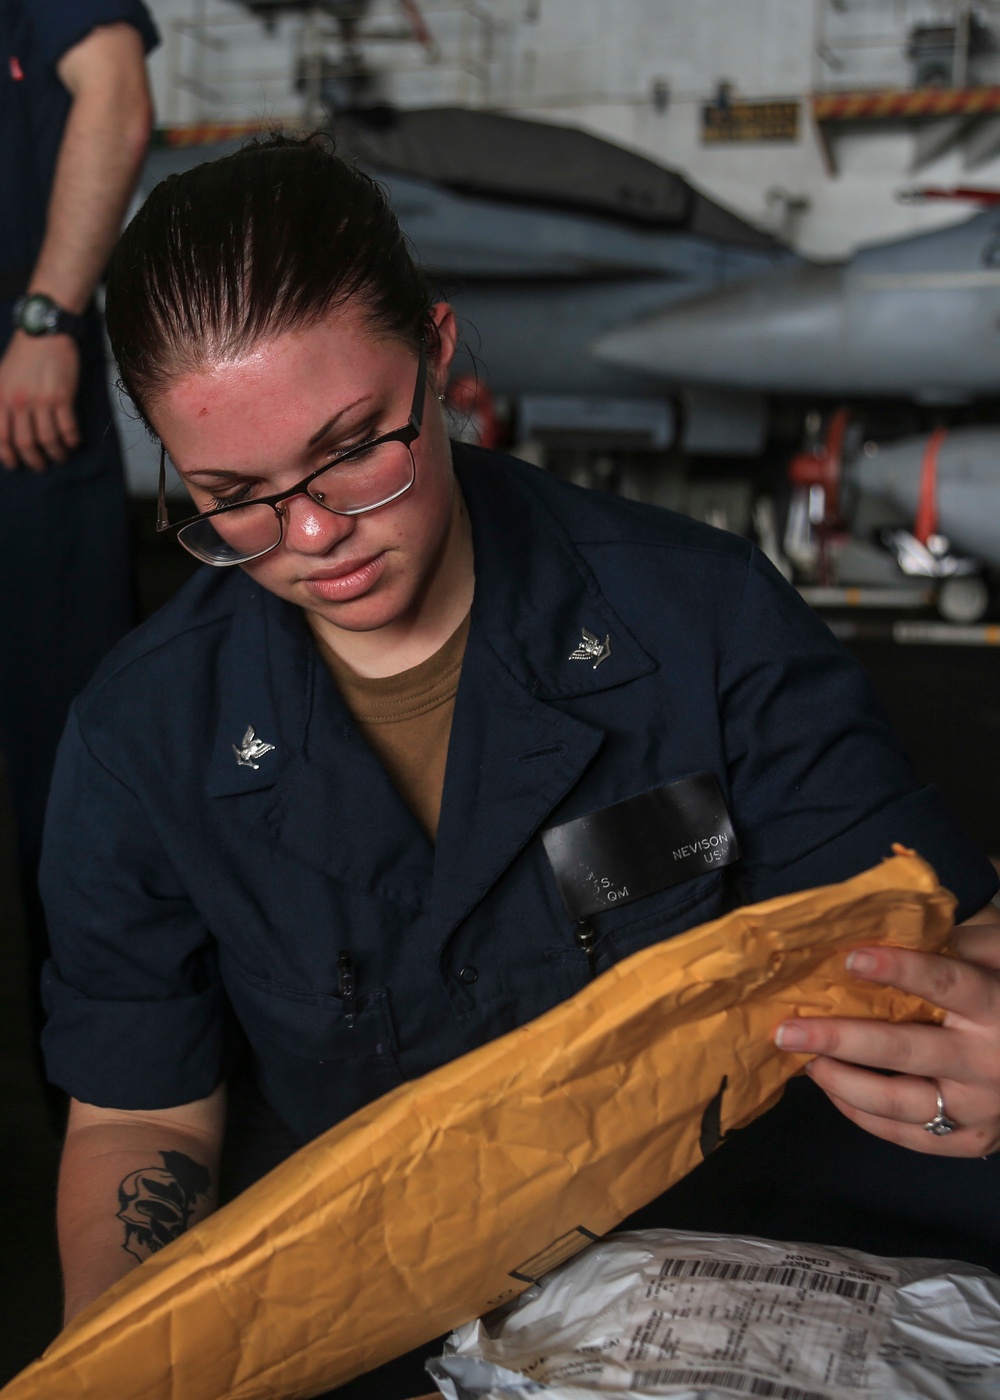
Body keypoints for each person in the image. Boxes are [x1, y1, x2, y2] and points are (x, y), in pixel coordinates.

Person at [40, 136, 1000, 1388]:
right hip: (390, 1325)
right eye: (236, 495)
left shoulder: (696, 615)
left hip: (755, 1264)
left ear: (439, 354)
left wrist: (977, 1043)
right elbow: (138, 1112)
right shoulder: (141, 736)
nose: (315, 535)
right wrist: (122, 1360)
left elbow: (934, 923)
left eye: (353, 449)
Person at [0, 0, 157, 1004]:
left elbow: (116, 93)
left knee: (70, 760)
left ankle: (113, 1089)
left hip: (17, 389)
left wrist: (49, 316)